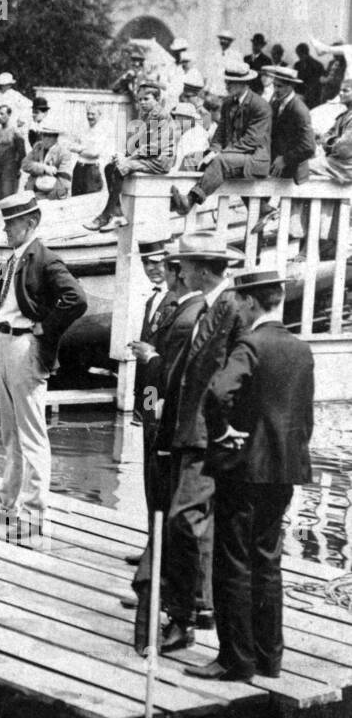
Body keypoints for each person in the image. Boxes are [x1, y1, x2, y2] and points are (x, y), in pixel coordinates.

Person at [186, 269, 314, 682]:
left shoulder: (250, 345)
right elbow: (305, 418)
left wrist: (224, 433)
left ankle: (235, 660)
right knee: (268, 562)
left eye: (240, 301)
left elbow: (217, 393)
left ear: (253, 303)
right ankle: (269, 658)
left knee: (233, 564)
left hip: (244, 471)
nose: (236, 307)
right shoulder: (301, 348)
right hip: (285, 471)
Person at [154, 230, 246, 654]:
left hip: (206, 433)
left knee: (183, 520)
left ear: (205, 269)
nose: (179, 270)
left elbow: (231, 376)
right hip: (191, 428)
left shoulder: (228, 308)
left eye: (185, 265)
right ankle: (201, 605)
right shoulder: (211, 306)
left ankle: (182, 618)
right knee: (197, 522)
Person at [0, 192, 87, 532]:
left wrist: (45, 327)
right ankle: (7, 506)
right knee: (11, 433)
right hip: (3, 342)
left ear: (30, 223)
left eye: (11, 223)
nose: (6, 230)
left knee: (32, 434)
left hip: (26, 345)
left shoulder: (45, 259)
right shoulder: (11, 261)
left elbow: (76, 299)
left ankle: (34, 513)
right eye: (5, 223)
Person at [128, 239, 203, 654]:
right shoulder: (154, 303)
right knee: (151, 485)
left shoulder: (183, 310)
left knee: (164, 492)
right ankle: (151, 556)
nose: (155, 271)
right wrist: (145, 407)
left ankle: (155, 572)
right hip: (155, 409)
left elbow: (167, 363)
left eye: (161, 265)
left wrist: (151, 362)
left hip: (168, 414)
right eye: (149, 263)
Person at [171, 61, 272, 217]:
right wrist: (212, 150)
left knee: (220, 161)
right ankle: (177, 198)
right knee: (193, 157)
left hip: (255, 158)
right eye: (226, 81)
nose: (226, 85)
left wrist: (218, 154)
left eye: (231, 82)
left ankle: (190, 200)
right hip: (232, 156)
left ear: (244, 83)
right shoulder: (228, 103)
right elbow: (219, 134)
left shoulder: (260, 106)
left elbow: (250, 141)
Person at [83, 82, 177, 231]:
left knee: (123, 167)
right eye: (140, 99)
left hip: (160, 161)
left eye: (146, 99)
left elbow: (155, 148)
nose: (142, 103)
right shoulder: (147, 116)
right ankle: (118, 214)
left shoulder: (161, 117)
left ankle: (105, 216)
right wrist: (123, 155)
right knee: (110, 167)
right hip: (149, 158)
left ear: (157, 99)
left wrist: (128, 159)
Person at [251, 65, 316, 235]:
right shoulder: (276, 103)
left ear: (290, 86)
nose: (276, 90)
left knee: (275, 215)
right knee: (255, 206)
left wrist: (285, 159)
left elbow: (309, 146)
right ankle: (254, 253)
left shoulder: (299, 109)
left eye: (280, 86)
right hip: (273, 164)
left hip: (290, 169)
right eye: (275, 85)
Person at [20, 125, 74, 200]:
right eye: (43, 135)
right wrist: (44, 168)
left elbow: (64, 180)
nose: (44, 139)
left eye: (49, 136)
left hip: (53, 193)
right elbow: (25, 164)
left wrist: (49, 198)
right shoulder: (38, 147)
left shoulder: (63, 152)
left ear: (55, 138)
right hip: (35, 191)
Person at [0, 102, 28, 202]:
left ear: (9, 115)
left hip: (9, 171)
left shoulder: (15, 132)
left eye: (2, 114)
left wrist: (17, 169)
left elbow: (22, 154)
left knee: (7, 201)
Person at [293, 43, 325, 108]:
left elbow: (317, 84)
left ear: (305, 53)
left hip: (312, 99)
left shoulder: (317, 65)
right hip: (299, 97)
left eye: (300, 55)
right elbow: (295, 81)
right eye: (298, 55)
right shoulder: (297, 65)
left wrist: (305, 96)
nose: (299, 57)